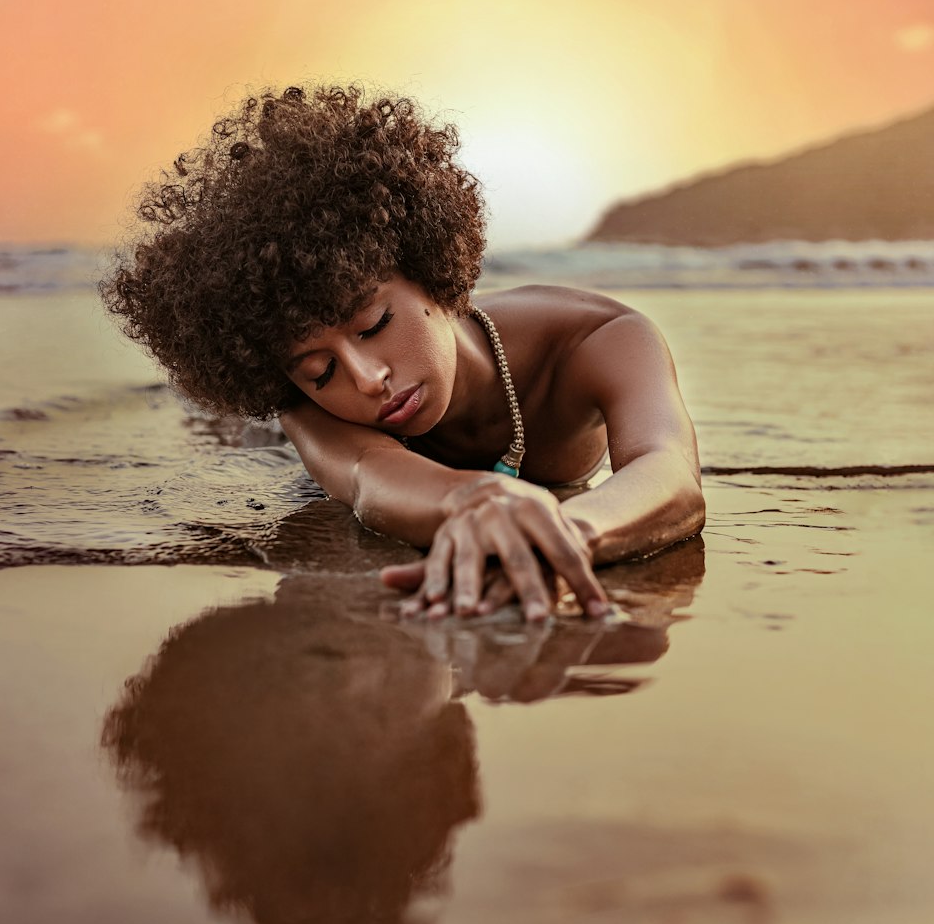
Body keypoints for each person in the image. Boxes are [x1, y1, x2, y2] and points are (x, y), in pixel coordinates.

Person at [100, 83, 704, 620]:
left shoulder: (598, 338)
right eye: (321, 369)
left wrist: (566, 535)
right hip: (270, 449)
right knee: (221, 431)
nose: (366, 380)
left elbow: (669, 473)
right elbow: (368, 475)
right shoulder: (306, 407)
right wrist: (478, 499)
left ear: (433, 273)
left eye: (374, 324)